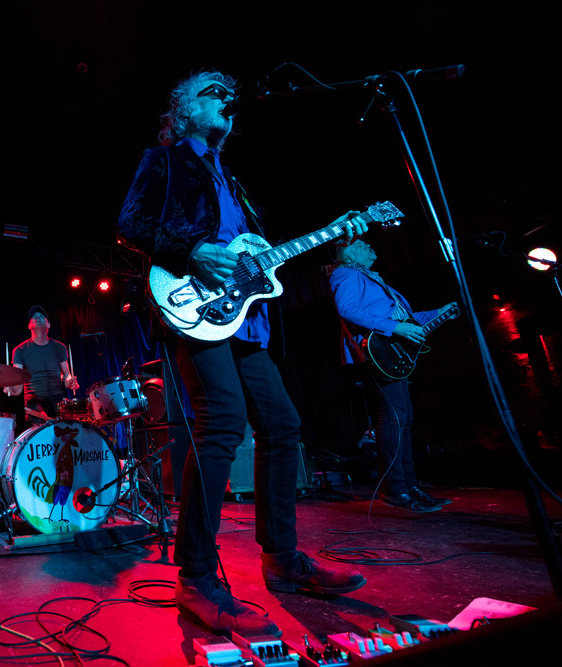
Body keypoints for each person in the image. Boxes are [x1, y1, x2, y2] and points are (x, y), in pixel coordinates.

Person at [117, 70, 368, 639]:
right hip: (194, 308)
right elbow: (129, 225)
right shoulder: (164, 161)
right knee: (222, 422)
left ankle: (282, 560)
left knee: (283, 424)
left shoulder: (233, 179)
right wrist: (192, 252)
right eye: (213, 91)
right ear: (182, 107)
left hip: (245, 320)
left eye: (230, 97)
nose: (228, 100)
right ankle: (197, 577)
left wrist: (335, 233)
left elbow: (259, 260)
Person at [330, 237, 456, 512]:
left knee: (404, 419)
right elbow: (347, 309)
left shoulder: (377, 281)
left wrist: (440, 312)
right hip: (376, 352)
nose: (369, 246)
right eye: (361, 245)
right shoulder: (345, 273)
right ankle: (394, 489)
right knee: (394, 418)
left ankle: (409, 486)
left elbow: (407, 320)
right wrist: (394, 328)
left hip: (392, 352)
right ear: (346, 254)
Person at [3, 306, 79, 425]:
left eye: (41, 316)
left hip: (57, 398)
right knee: (43, 420)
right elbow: (18, 383)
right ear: (29, 326)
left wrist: (69, 381)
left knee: (66, 427)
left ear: (48, 325)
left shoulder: (60, 347)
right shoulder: (20, 350)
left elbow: (66, 374)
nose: (37, 317)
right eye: (33, 317)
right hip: (33, 399)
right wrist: (12, 389)